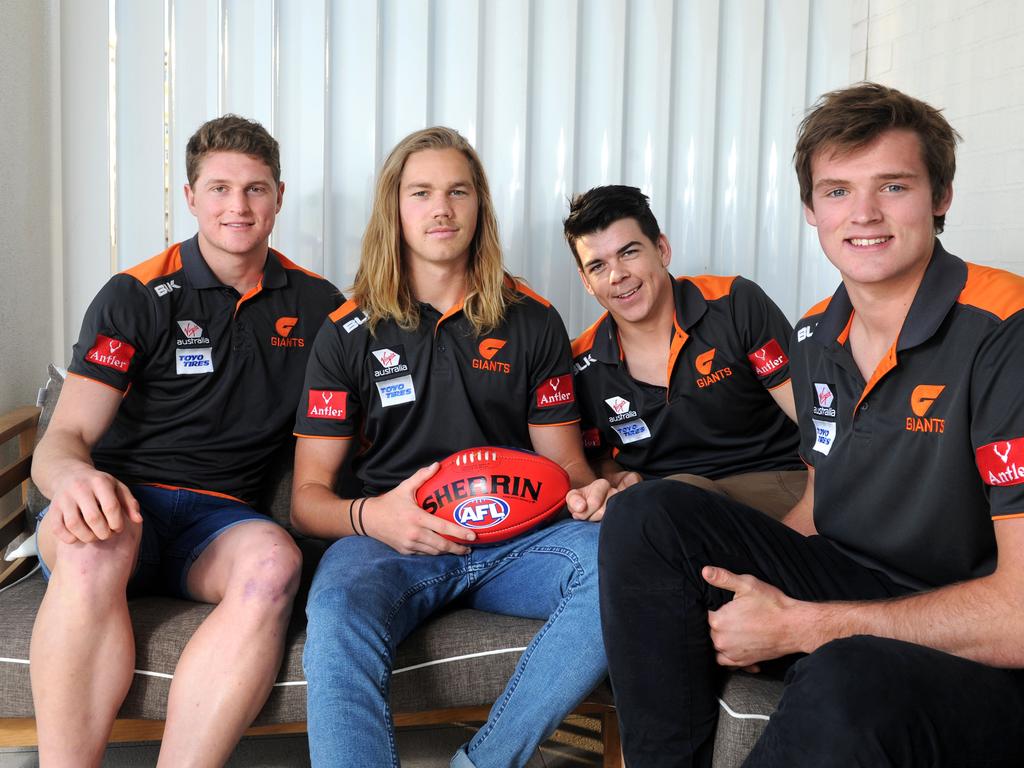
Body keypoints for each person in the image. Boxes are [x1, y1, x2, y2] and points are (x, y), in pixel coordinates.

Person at [599, 82, 1024, 766]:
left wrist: (801, 626)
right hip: (853, 577)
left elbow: (1019, 615)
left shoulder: (1005, 331)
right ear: (809, 208)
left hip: (976, 641)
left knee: (845, 671)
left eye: (892, 187)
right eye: (836, 191)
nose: (863, 215)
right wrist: (745, 594)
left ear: (940, 197)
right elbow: (819, 507)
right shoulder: (813, 336)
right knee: (646, 517)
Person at [291, 126, 612, 768]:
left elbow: (565, 463)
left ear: (479, 207)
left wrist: (593, 490)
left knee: (623, 563)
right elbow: (307, 501)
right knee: (335, 609)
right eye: (422, 193)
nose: (441, 208)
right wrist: (372, 515)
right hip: (391, 541)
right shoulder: (347, 330)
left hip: (517, 542)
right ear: (396, 209)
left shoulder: (532, 318)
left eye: (457, 191)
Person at [29, 115, 339, 767]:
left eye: (255, 189)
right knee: (91, 551)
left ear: (279, 197)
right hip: (121, 504)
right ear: (191, 197)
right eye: (220, 188)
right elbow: (63, 442)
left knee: (274, 565)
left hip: (219, 520)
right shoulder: (136, 295)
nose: (238, 206)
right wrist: (76, 481)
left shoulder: (318, 307)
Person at [564, 185, 807, 520]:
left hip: (775, 482)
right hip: (668, 505)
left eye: (629, 252)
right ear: (586, 282)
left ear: (662, 249)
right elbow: (597, 458)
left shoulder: (734, 303)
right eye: (598, 267)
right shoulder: (581, 363)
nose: (617, 275)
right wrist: (613, 475)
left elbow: (813, 421)